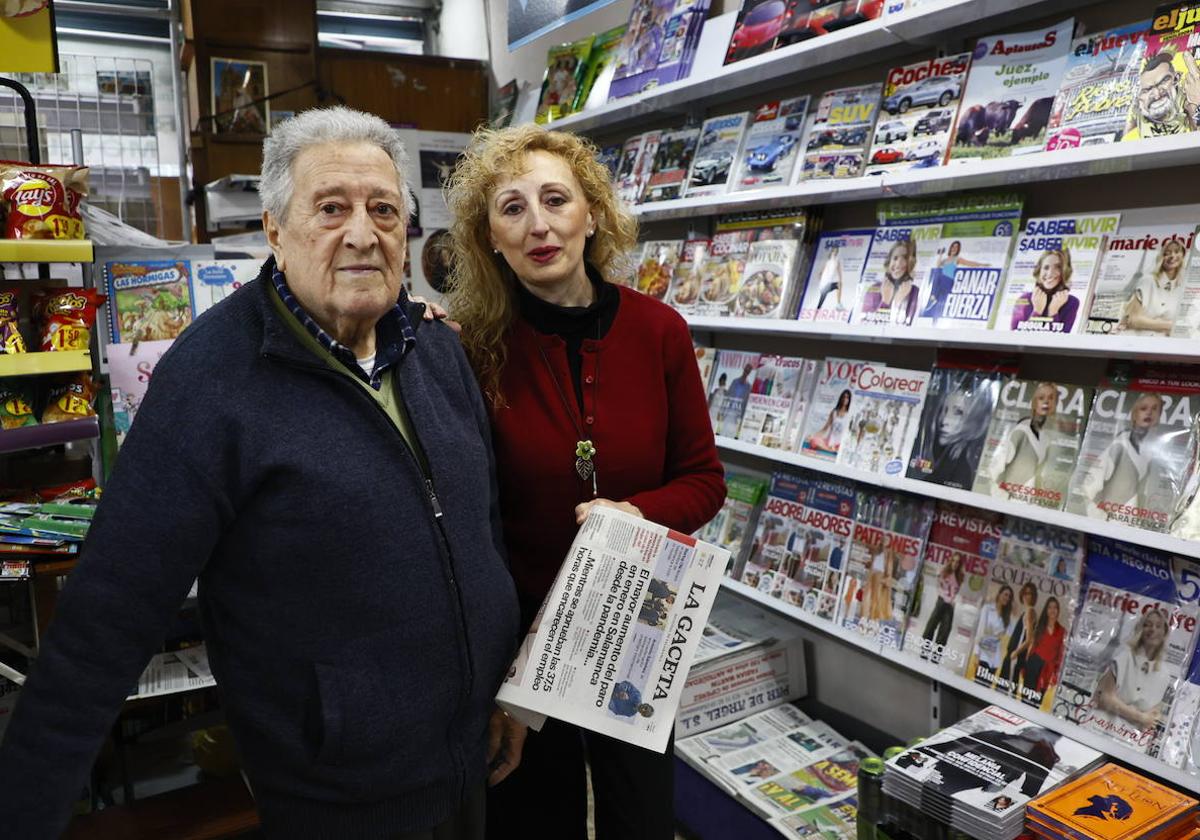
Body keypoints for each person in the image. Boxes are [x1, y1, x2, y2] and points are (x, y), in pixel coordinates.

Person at [0, 107, 523, 839]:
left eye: (383, 210)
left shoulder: (437, 352)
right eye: (331, 209)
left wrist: (509, 689)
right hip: (336, 798)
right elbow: (106, 620)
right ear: (275, 230)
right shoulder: (211, 382)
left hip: (469, 763)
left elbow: (481, 529)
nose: (363, 234)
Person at [444, 125, 724, 840]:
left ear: (591, 214)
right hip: (522, 637)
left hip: (635, 623)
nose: (538, 225)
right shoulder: (469, 348)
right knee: (535, 818)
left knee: (640, 816)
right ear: (491, 240)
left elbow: (704, 481)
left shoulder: (660, 331)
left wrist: (634, 511)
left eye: (555, 199)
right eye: (511, 209)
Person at [1084, 392, 1164, 521]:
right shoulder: (1119, 445)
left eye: (1155, 409)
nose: (1149, 412)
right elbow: (1091, 484)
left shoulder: (1150, 453)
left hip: (1130, 520)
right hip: (1107, 519)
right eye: (1144, 408)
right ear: (1134, 414)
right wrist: (1099, 512)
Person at [1093, 608, 1172, 738]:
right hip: (1103, 732)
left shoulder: (1164, 674)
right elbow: (1105, 698)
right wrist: (1140, 717)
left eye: (1158, 626)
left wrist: (1153, 717)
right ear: (1140, 629)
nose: (1153, 629)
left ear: (1164, 633)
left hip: (1132, 742)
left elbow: (1154, 713)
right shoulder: (1124, 657)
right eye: (1148, 624)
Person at [914, 372, 995, 489]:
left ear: (976, 421)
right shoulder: (932, 453)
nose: (944, 420)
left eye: (958, 413)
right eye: (944, 409)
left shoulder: (964, 468)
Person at [989, 381, 1059, 499]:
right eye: (1041, 398)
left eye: (1051, 398)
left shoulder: (1046, 439)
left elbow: (1040, 474)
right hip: (1006, 497)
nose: (1046, 401)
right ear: (1034, 402)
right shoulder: (1021, 431)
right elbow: (996, 466)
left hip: (1027, 499)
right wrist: (1003, 491)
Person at [1123, 49, 1200, 140]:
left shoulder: (1190, 117)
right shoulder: (1131, 139)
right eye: (1147, 89)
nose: (1157, 95)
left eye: (1164, 81)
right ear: (1140, 97)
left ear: (1176, 79)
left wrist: (1196, 105)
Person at [1120, 238, 1188, 335]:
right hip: (1137, 342)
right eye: (1167, 253)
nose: (1172, 256)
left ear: (1183, 255)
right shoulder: (1148, 281)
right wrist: (1170, 325)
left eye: (1177, 252)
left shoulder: (1180, 289)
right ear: (1161, 258)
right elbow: (1133, 319)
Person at [1009, 249, 1079, 332]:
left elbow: (1059, 340)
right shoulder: (1024, 299)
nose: (1050, 273)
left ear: (1065, 271)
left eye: (1058, 267)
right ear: (1039, 271)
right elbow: (1016, 338)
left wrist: (1053, 312)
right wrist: (1037, 311)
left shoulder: (1072, 302)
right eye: (1046, 267)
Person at [920, 240, 987, 321]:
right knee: (937, 272)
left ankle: (934, 299)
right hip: (940, 280)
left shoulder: (957, 259)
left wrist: (982, 265)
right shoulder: (945, 259)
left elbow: (969, 263)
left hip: (947, 281)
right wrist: (940, 255)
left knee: (941, 301)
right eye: (953, 246)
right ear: (950, 247)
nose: (954, 248)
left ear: (958, 249)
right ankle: (933, 302)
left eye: (956, 247)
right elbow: (938, 265)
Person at [858, 239, 919, 326]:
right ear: (889, 261)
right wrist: (885, 302)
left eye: (905, 258)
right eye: (895, 258)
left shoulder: (916, 292)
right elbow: (867, 328)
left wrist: (898, 302)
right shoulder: (874, 289)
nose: (898, 263)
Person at [1022, 596, 1066, 704]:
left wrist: (1055, 674)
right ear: (1046, 610)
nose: (1052, 610)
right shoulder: (1038, 626)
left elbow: (1060, 655)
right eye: (1049, 607)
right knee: (1025, 699)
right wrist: (1024, 665)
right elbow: (1029, 646)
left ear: (1058, 610)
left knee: (1037, 702)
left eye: (1055, 607)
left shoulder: (1062, 631)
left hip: (1047, 670)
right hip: (1033, 664)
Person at [999, 581, 1039, 696]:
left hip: (1015, 657)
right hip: (1012, 655)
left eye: (1030, 593)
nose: (1027, 596)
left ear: (1034, 596)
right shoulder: (1026, 611)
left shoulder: (1030, 612)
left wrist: (1016, 652)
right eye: (1025, 593)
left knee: (1007, 690)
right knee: (1003, 687)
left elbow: (1029, 639)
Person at [921, 554, 963, 662]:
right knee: (931, 626)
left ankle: (936, 656)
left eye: (957, 562)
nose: (955, 564)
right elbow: (938, 587)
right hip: (941, 601)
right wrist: (945, 598)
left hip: (950, 605)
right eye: (954, 561)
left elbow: (955, 591)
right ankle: (924, 651)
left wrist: (951, 600)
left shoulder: (960, 576)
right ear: (950, 561)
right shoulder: (943, 572)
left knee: (945, 631)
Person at [973, 584, 1014, 681]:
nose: (1007, 598)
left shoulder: (1006, 617)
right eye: (1005, 594)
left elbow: (1011, 632)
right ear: (999, 594)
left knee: (986, 688)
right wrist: (976, 655)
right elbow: (980, 631)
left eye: (1009, 597)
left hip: (995, 660)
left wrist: (1013, 611)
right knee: (978, 685)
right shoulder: (987, 608)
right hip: (983, 655)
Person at [805, 388, 852, 455]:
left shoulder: (849, 415)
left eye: (847, 398)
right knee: (814, 441)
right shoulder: (834, 412)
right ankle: (830, 450)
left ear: (849, 400)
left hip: (839, 444)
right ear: (841, 398)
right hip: (829, 443)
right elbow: (825, 428)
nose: (845, 399)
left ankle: (833, 450)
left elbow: (849, 432)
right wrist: (813, 436)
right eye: (844, 397)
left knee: (844, 448)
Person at [814, 245, 844, 311]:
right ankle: (818, 309)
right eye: (834, 251)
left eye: (836, 252)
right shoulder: (828, 261)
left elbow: (839, 272)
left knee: (839, 285)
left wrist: (840, 280)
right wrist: (820, 275)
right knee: (823, 296)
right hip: (825, 282)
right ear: (832, 252)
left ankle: (838, 304)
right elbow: (823, 270)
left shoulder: (836, 261)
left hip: (830, 282)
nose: (835, 253)